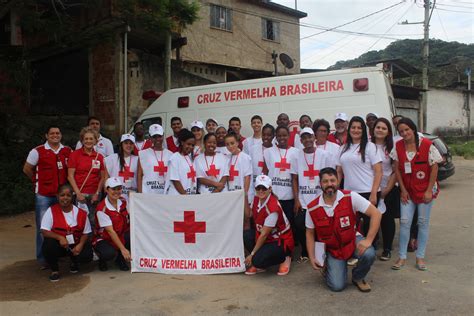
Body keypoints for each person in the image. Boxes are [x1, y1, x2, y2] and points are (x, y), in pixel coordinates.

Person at [306, 168, 381, 292]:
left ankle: (358, 277)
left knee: (369, 253)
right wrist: (312, 256)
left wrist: (368, 240)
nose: (329, 184)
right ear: (320, 184)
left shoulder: (350, 196)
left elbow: (376, 214)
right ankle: (330, 266)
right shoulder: (312, 207)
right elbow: (309, 233)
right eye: (325, 181)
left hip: (351, 240)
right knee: (337, 286)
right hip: (332, 249)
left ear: (338, 181)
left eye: (332, 180)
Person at [390, 118, 442, 271]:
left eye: (407, 130)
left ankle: (420, 257)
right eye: (401, 131)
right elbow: (397, 169)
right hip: (408, 192)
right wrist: (403, 190)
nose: (404, 133)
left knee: (422, 223)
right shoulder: (398, 146)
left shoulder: (426, 145)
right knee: (405, 222)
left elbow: (434, 168)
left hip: (425, 191)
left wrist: (428, 190)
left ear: (413, 129)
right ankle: (402, 257)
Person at [23, 126, 72, 267]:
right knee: (43, 228)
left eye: (57, 133)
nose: (55, 135)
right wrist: (37, 182)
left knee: (63, 225)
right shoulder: (37, 151)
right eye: (52, 133)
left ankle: (60, 254)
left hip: (63, 196)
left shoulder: (67, 151)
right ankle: (43, 258)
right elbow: (27, 169)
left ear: (61, 135)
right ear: (46, 135)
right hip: (44, 195)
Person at [336, 116, 382, 245]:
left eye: (359, 128)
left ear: (363, 130)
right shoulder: (343, 148)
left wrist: (373, 193)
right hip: (349, 194)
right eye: (353, 127)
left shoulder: (370, 147)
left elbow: (379, 171)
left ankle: (368, 251)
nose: (356, 130)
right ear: (349, 129)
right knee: (351, 226)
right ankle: (353, 251)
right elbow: (339, 172)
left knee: (368, 226)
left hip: (368, 192)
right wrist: (337, 191)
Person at [291, 127, 330, 263]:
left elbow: (329, 176)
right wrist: (296, 200)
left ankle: (320, 253)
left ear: (315, 138)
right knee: (301, 224)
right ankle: (305, 251)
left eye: (310, 137)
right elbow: (294, 178)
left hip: (320, 198)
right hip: (303, 199)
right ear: (301, 141)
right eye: (304, 138)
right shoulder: (296, 155)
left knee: (320, 226)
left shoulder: (324, 154)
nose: (307, 140)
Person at [40, 184, 93, 281]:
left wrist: (80, 245)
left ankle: (74, 262)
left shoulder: (81, 213)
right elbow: (44, 231)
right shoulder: (51, 211)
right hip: (60, 245)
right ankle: (55, 270)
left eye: (68, 195)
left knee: (87, 254)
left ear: (72, 197)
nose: (65, 198)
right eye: (62, 195)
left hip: (75, 244)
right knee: (48, 245)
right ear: (57, 196)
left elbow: (86, 233)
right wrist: (60, 237)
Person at [244, 175, 294, 276]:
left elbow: (264, 235)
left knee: (257, 260)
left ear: (270, 189)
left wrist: (252, 255)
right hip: (267, 238)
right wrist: (244, 195)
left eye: (264, 188)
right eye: (258, 188)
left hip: (280, 241)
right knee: (246, 235)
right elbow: (249, 214)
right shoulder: (256, 199)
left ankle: (285, 257)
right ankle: (260, 261)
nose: (261, 191)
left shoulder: (273, 208)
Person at [263, 125, 299, 243]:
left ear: (289, 136)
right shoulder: (268, 152)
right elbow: (265, 173)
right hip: (274, 196)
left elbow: (296, 177)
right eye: (279, 135)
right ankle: (277, 249)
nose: (282, 138)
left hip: (289, 197)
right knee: (275, 225)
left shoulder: (296, 152)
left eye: (284, 135)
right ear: (275, 137)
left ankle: (289, 249)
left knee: (289, 224)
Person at [372, 118, 400, 261]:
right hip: (371, 188)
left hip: (388, 188)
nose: (380, 130)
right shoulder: (367, 146)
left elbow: (396, 170)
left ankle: (387, 248)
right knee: (370, 218)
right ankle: (372, 244)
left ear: (388, 131)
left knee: (387, 220)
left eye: (384, 128)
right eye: (378, 127)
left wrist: (386, 189)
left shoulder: (392, 148)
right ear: (373, 129)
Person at [68, 127, 106, 228]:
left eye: (91, 139)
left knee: (93, 222)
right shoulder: (74, 155)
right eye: (86, 139)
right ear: (82, 140)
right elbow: (70, 176)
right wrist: (78, 193)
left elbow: (102, 177)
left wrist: (97, 193)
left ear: (95, 141)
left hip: (94, 194)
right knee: (79, 222)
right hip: (80, 193)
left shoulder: (100, 157)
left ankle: (93, 243)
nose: (88, 141)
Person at [93, 177, 131, 271]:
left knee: (133, 237)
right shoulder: (102, 208)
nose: (117, 192)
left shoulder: (124, 202)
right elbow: (110, 232)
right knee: (108, 253)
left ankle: (120, 259)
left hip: (121, 234)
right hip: (106, 238)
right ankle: (102, 260)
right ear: (106, 190)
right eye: (113, 189)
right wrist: (123, 249)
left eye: (119, 189)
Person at [138, 124, 172, 194]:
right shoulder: (143, 154)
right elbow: (139, 176)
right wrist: (140, 194)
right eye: (154, 137)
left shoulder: (170, 155)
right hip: (148, 194)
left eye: (159, 136)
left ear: (163, 136)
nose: (157, 139)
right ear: (150, 138)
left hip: (165, 194)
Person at [104, 134, 139, 203]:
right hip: (114, 196)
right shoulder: (112, 159)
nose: (128, 145)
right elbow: (106, 179)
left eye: (131, 143)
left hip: (132, 197)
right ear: (121, 144)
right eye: (126, 143)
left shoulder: (138, 159)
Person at [166, 129, 198, 195]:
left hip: (189, 196)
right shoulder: (174, 158)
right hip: (178, 197)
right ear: (182, 142)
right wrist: (185, 196)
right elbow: (175, 180)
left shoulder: (190, 158)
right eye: (188, 144)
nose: (191, 147)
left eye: (192, 145)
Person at [249, 124, 274, 202]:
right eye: (264, 135)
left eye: (269, 135)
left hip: (269, 189)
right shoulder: (253, 149)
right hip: (255, 188)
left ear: (273, 136)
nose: (266, 137)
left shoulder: (276, 150)